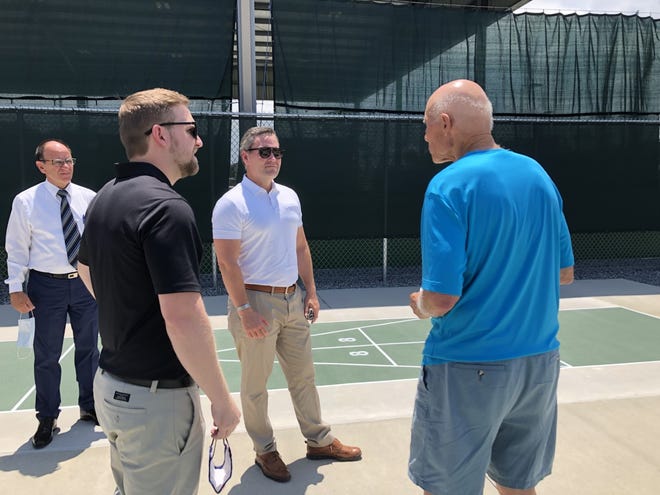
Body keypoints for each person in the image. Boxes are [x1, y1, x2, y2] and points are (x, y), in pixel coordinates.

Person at [407, 80, 575, 495]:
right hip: (538, 364)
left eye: (427, 124)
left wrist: (420, 304)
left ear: (445, 122)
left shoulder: (448, 187)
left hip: (468, 364)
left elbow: (442, 298)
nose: (425, 134)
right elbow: (563, 273)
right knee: (519, 486)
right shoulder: (537, 175)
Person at [77, 88, 241, 495]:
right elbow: (184, 317)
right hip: (155, 404)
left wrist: (129, 308)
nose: (199, 139)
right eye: (192, 128)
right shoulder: (167, 208)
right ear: (161, 134)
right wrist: (221, 399)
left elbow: (84, 269)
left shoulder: (105, 196)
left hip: (112, 389)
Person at [212, 126, 361, 483]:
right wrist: (244, 310)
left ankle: (319, 440)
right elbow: (227, 263)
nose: (272, 158)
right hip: (254, 303)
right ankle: (265, 450)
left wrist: (310, 291)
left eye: (277, 152)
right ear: (244, 156)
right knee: (255, 386)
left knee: (304, 378)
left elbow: (301, 247)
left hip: (292, 299)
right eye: (263, 152)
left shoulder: (290, 197)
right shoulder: (231, 203)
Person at [5, 139, 99, 449]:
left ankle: (90, 405)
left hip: (85, 284)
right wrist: (16, 289)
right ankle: (47, 417)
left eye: (69, 160)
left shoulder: (89, 198)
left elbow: (100, 243)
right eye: (57, 161)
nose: (65, 166)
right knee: (46, 355)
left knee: (89, 349)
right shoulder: (26, 202)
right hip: (46, 287)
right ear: (41, 166)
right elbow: (17, 248)